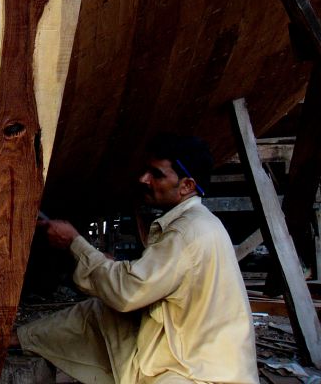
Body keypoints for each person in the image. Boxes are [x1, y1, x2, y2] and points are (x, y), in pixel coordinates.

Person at [14, 133, 258, 383]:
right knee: (99, 312)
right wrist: (107, 263)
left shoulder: (185, 233)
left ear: (187, 186)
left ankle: (21, 340)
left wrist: (75, 243)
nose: (143, 179)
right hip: (211, 361)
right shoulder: (201, 222)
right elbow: (153, 279)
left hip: (198, 374)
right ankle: (21, 340)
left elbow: (128, 293)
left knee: (110, 308)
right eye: (145, 171)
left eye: (157, 174)